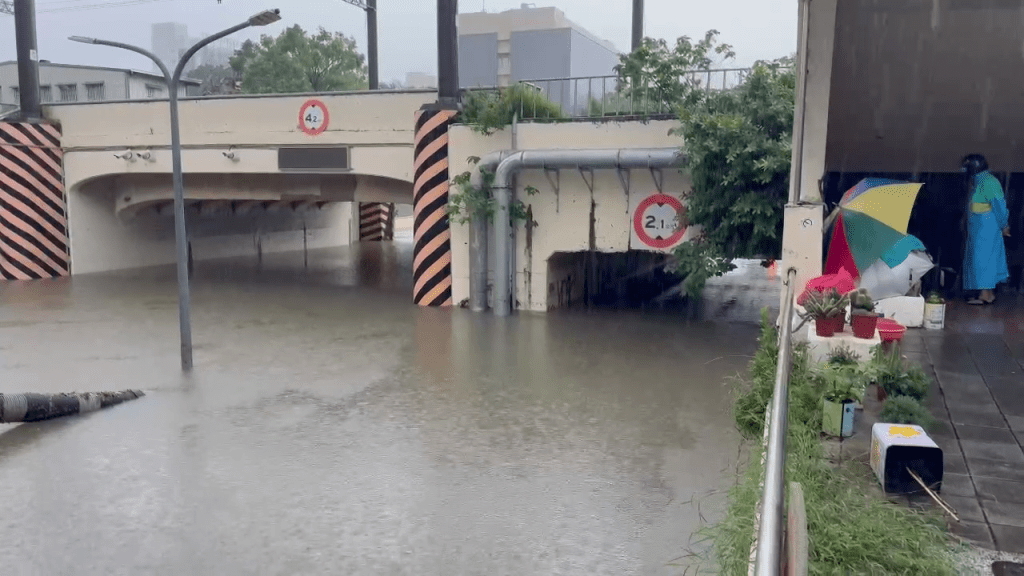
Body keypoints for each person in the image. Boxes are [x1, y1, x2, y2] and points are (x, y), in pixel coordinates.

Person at [961, 154, 1011, 304]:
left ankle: (985, 295)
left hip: (986, 227)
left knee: (983, 260)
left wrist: (1004, 225)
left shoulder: (988, 181)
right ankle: (987, 294)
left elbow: (998, 205)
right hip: (979, 227)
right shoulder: (979, 180)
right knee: (982, 260)